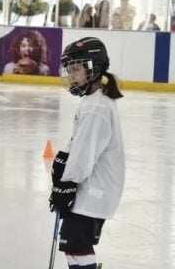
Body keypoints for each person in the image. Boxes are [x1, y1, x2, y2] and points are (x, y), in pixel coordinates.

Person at [50, 37, 125, 269]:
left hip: (93, 191)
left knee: (76, 246)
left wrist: (66, 183)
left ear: (94, 68)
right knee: (75, 247)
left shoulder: (96, 107)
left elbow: (84, 157)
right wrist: (64, 156)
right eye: (69, 70)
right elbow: (79, 144)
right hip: (91, 189)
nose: (71, 75)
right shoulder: (93, 100)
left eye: (76, 69)